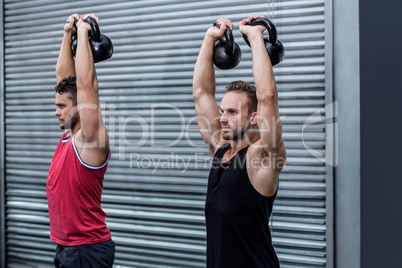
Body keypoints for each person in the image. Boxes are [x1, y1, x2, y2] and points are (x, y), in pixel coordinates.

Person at [193, 15, 286, 267]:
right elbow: (201, 92)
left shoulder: (262, 158)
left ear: (255, 118)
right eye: (223, 110)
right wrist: (209, 39)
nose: (222, 118)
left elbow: (267, 96)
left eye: (232, 112)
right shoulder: (219, 150)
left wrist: (256, 37)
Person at [47, 13, 115, 267]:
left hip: (86, 250)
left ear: (79, 108)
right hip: (68, 248)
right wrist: (68, 34)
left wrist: (84, 32)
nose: (56, 111)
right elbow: (65, 80)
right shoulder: (69, 136)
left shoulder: (89, 139)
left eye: (61, 107)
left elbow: (86, 85)